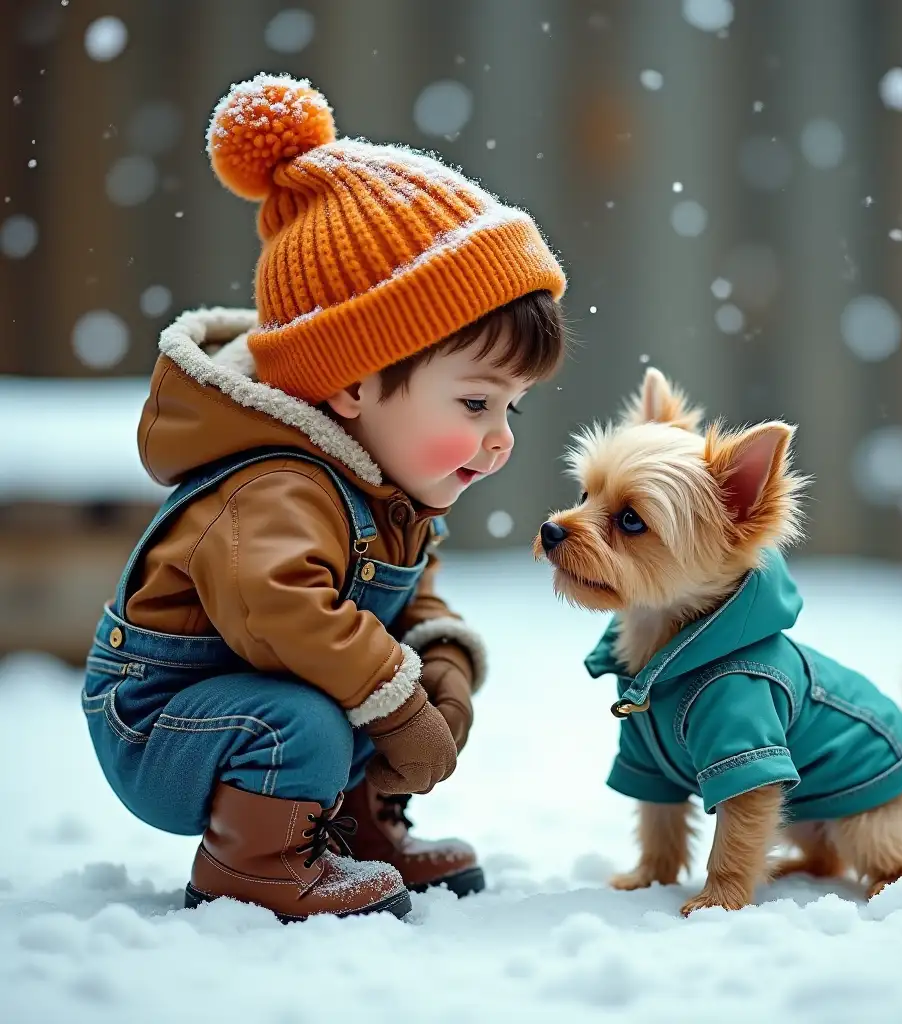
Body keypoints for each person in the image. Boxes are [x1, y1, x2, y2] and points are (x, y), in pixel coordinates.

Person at [81, 73, 567, 922]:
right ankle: (256, 863)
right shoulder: (277, 485)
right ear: (350, 386)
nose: (500, 438)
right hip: (163, 727)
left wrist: (439, 659)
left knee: (356, 686)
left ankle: (346, 835)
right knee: (311, 712)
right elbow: (282, 611)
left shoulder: (384, 491)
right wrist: (396, 696)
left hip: (244, 704)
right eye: (475, 403)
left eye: (510, 408)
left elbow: (409, 595)